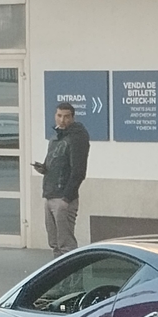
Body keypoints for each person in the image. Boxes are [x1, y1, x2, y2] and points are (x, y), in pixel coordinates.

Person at [30, 101, 91, 253]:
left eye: (66, 117)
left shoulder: (77, 137)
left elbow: (79, 171)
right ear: (55, 116)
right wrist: (43, 168)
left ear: (73, 118)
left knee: (66, 245)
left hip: (64, 197)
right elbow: (53, 162)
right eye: (59, 116)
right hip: (50, 194)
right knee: (54, 243)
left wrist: (66, 198)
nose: (62, 120)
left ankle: (73, 276)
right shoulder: (55, 137)